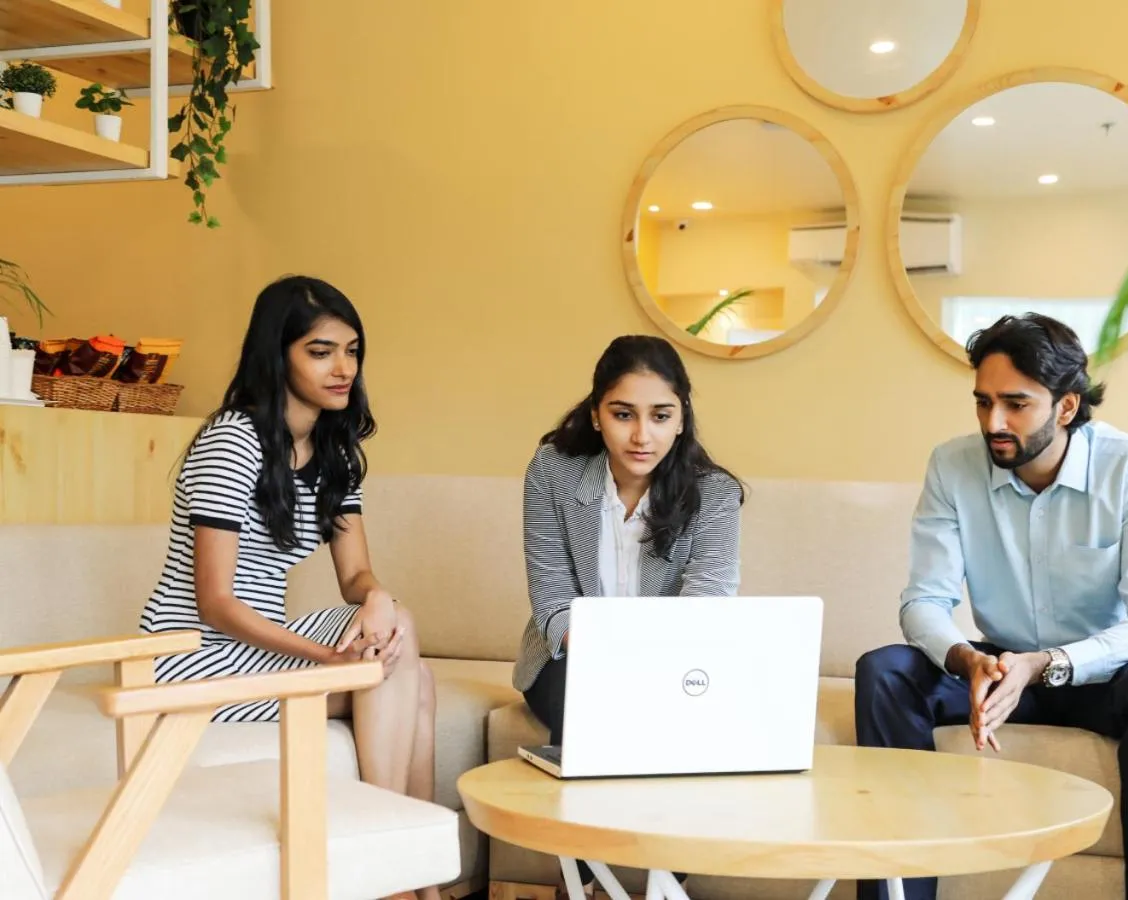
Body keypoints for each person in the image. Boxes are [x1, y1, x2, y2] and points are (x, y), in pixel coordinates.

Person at [854, 313, 1128, 900]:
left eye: (1016, 404)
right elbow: (925, 600)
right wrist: (967, 659)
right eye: (983, 402)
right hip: (997, 666)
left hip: (1101, 672)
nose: (994, 423)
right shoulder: (952, 465)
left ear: (1067, 407)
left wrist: (1045, 663)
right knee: (884, 670)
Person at [140, 275, 441, 900]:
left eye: (352, 351)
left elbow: (355, 577)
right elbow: (215, 603)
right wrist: (328, 658)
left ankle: (409, 875)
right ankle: (394, 870)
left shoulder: (334, 451)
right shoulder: (232, 442)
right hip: (191, 658)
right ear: (277, 356)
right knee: (404, 676)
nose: (343, 368)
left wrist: (377, 596)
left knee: (403, 644)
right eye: (321, 351)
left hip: (262, 650)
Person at [512, 334, 744, 896]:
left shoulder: (713, 494)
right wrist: (612, 665)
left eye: (660, 416)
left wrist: (649, 671)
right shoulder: (552, 472)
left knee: (683, 722)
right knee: (594, 704)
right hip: (568, 661)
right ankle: (586, 883)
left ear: (682, 418)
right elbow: (552, 597)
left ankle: (656, 884)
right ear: (596, 415)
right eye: (623, 415)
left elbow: (707, 602)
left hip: (673, 666)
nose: (642, 435)